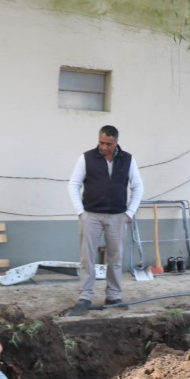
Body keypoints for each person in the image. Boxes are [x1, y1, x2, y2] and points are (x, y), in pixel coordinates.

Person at [66, 125, 143, 316]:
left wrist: (130, 212)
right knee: (87, 258)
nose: (103, 147)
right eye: (101, 142)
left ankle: (114, 296)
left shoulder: (127, 160)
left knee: (115, 258)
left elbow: (138, 186)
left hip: (117, 216)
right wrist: (80, 212)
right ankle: (85, 296)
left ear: (116, 142)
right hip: (91, 215)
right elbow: (73, 184)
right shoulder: (86, 158)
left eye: (108, 144)